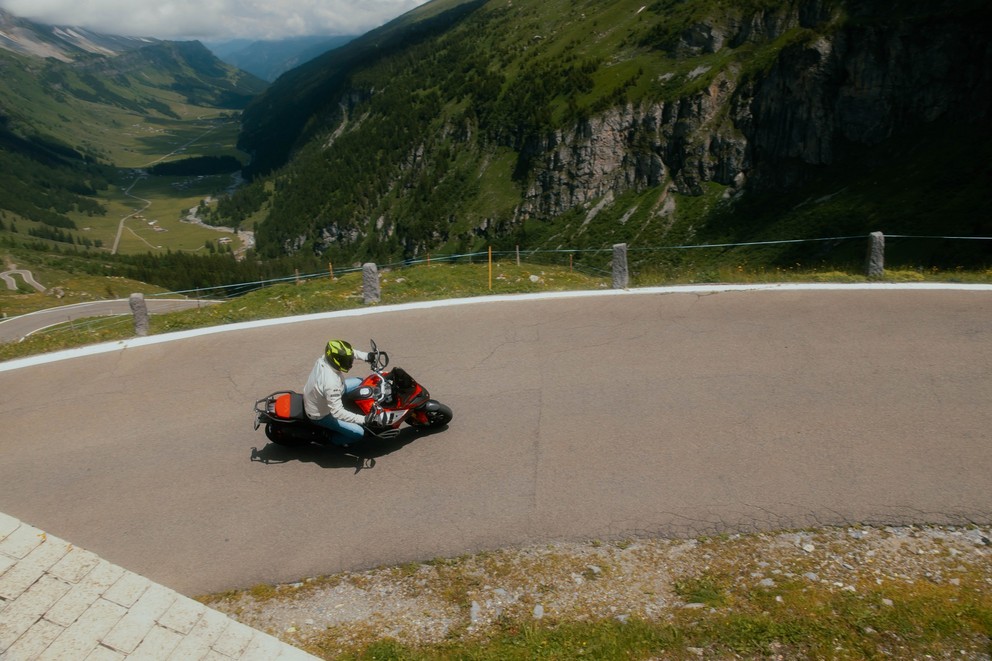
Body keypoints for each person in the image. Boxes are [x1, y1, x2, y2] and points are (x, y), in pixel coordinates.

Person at [303, 339, 376, 447]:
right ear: (336, 360)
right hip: (320, 414)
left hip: (322, 394)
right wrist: (364, 419)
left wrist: (366, 356)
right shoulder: (331, 382)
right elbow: (337, 412)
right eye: (347, 361)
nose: (350, 363)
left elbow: (349, 353)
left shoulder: (325, 358)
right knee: (358, 433)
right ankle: (330, 439)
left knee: (362, 382)